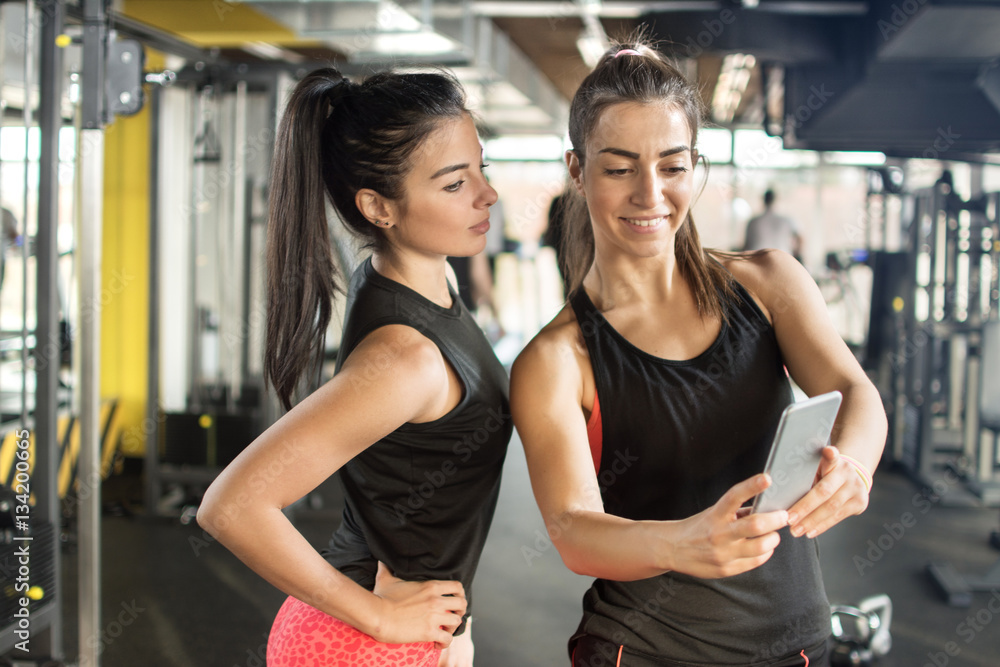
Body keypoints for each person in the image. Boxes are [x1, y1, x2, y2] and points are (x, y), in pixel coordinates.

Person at [510, 42, 887, 666]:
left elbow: (855, 391)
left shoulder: (768, 283)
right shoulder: (556, 359)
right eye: (619, 167)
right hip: (648, 649)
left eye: (672, 165)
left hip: (797, 646)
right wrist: (683, 543)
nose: (649, 193)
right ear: (577, 170)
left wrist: (855, 464)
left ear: (695, 166)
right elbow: (573, 529)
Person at [197, 67, 512, 667]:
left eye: (481, 169)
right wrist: (381, 617)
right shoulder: (405, 358)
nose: (485, 194)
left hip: (410, 628)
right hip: (361, 642)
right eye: (453, 184)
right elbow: (231, 505)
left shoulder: (424, 279)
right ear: (378, 207)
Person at [743, 189, 803, 259]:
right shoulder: (786, 220)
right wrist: (796, 254)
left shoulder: (753, 221)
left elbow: (746, 246)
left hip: (757, 260)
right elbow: (800, 239)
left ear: (763, 200)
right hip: (782, 259)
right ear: (775, 200)